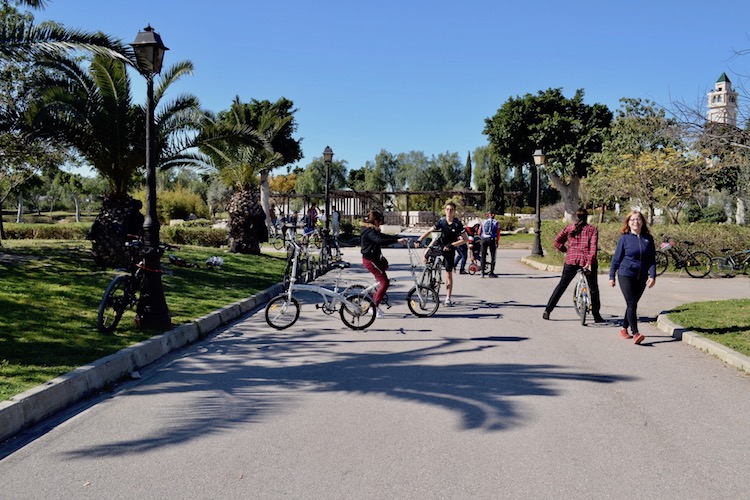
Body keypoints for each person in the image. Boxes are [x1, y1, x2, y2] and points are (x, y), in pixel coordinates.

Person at [543, 208, 604, 323]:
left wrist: (565, 250)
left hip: (572, 259)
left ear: (576, 217)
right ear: (586, 217)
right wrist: (590, 262)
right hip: (587, 260)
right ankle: (596, 315)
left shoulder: (570, 228)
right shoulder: (592, 230)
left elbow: (557, 241)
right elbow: (593, 248)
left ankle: (548, 310)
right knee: (593, 288)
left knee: (562, 285)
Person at [609, 210, 656, 345]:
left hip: (641, 276)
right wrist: (612, 275)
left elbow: (651, 259)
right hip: (626, 274)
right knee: (631, 303)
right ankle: (636, 333)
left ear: (642, 222)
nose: (636, 222)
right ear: (628, 223)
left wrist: (652, 275)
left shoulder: (648, 238)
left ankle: (624, 329)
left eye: (638, 219)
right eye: (632, 220)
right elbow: (616, 259)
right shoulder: (624, 238)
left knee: (632, 303)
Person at [415, 202, 468, 306]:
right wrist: (419, 240)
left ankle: (448, 298)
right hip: (440, 244)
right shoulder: (442, 221)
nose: (449, 211)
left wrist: (452, 245)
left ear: (454, 211)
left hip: (449, 248)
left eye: (451, 210)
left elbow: (465, 239)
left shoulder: (457, 224)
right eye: (447, 209)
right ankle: (429, 277)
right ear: (445, 211)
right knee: (427, 258)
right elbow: (430, 231)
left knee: (448, 274)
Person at [360, 210, 408, 318]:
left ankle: (374, 296)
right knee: (385, 283)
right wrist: (396, 241)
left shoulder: (372, 229)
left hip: (375, 259)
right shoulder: (369, 231)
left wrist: (398, 238)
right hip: (370, 261)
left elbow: (383, 236)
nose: (381, 223)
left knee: (382, 278)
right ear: (375, 220)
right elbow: (379, 240)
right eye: (380, 221)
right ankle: (373, 307)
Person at [479, 211, 500, 278]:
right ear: (493, 215)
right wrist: (497, 241)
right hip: (492, 239)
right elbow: (498, 233)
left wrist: (482, 238)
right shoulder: (496, 222)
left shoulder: (483, 222)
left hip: (484, 239)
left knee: (483, 255)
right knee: (493, 256)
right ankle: (491, 272)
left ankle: (482, 272)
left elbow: (479, 231)